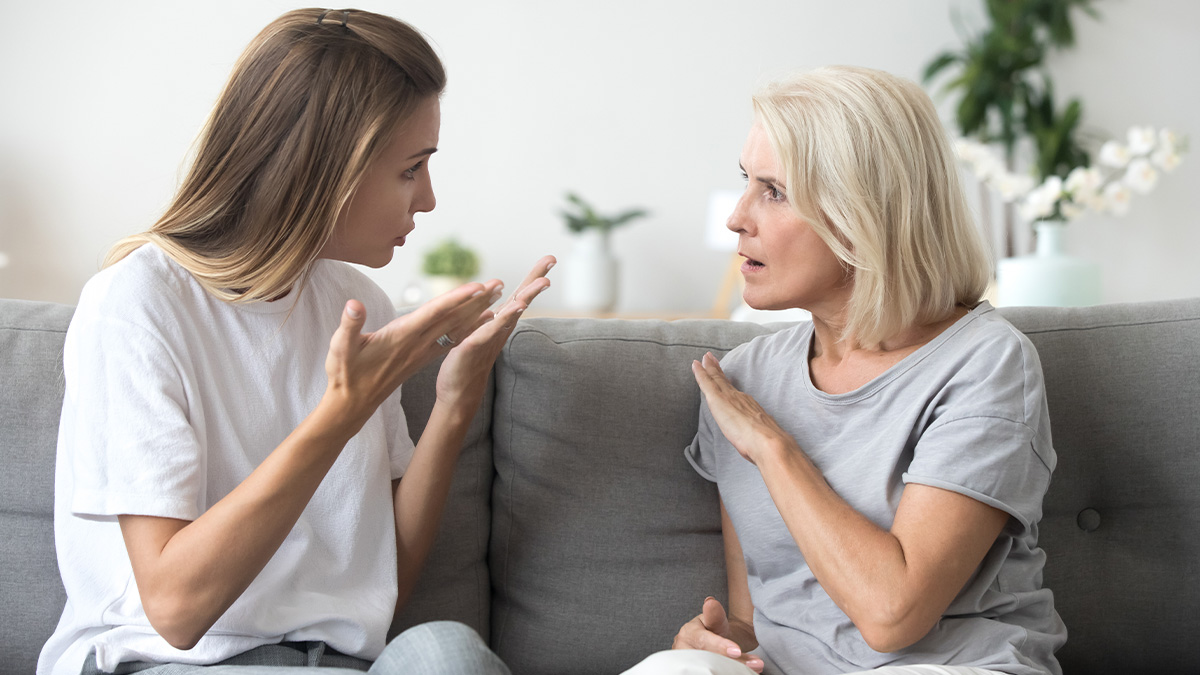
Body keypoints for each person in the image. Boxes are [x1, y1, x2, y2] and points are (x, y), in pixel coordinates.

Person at [38, 9, 553, 675]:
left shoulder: (354, 301)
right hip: (171, 662)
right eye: (410, 169)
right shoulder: (137, 302)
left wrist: (456, 401)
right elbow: (175, 607)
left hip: (334, 663)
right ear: (325, 167)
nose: (426, 200)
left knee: (446, 651)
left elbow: (380, 576)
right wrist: (337, 415)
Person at [624, 66, 1066, 675]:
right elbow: (758, 611)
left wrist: (773, 448)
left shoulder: (985, 362)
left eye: (773, 191)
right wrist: (721, 645)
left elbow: (893, 616)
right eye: (745, 182)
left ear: (861, 214)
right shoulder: (743, 380)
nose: (737, 217)